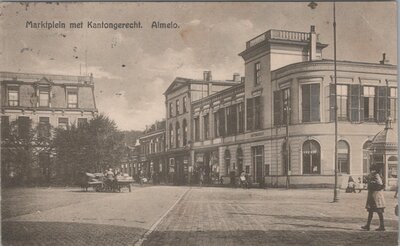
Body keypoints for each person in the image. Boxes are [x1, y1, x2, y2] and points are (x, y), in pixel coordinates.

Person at [361, 165, 386, 231]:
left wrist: (371, 183)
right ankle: (368, 225)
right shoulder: (374, 175)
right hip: (373, 195)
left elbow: (380, 184)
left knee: (379, 211)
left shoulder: (376, 175)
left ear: (375, 170)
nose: (371, 171)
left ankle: (382, 226)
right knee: (370, 211)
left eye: (372, 169)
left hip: (376, 196)